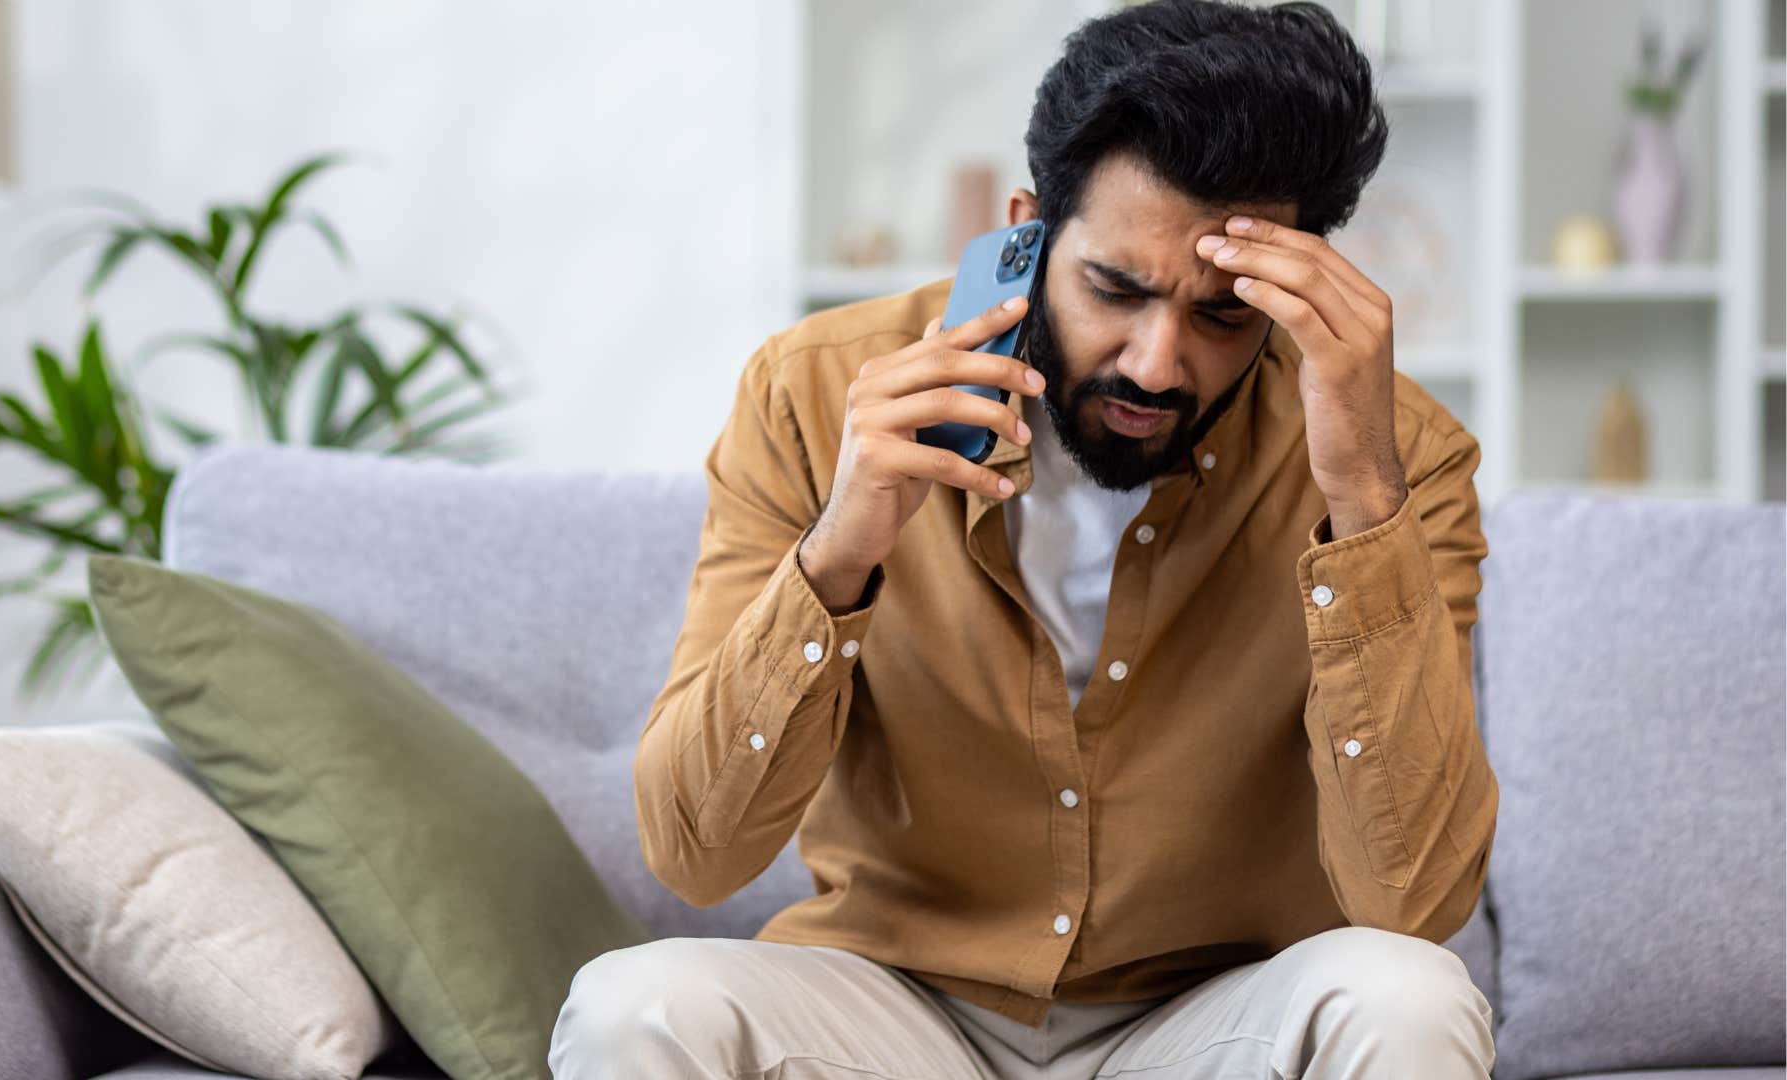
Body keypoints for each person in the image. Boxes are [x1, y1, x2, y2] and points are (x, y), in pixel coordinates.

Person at [550, 0, 1497, 1075]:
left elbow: (1413, 902)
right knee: (634, 1006)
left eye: (1224, 314)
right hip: (896, 1010)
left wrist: (1364, 498)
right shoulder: (812, 397)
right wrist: (840, 549)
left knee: (1410, 998)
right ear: (1027, 226)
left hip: (1207, 1024)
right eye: (1115, 289)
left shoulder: (1393, 455)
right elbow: (694, 852)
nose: (1154, 363)